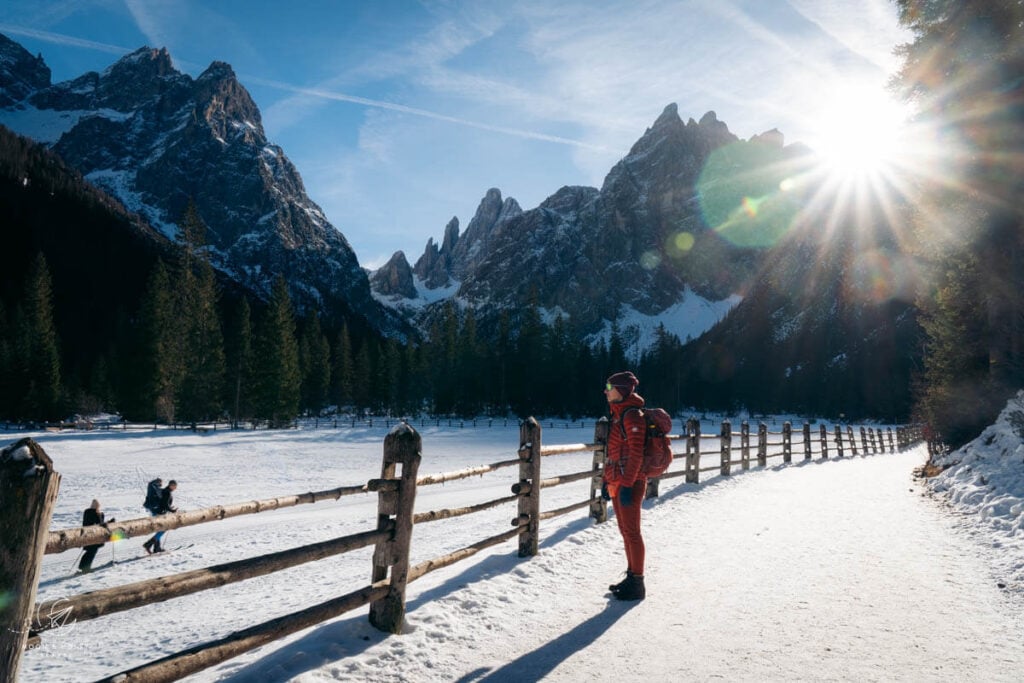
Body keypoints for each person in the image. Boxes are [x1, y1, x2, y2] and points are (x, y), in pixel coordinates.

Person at [601, 371, 647, 600]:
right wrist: (606, 480)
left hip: (630, 482)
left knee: (632, 532)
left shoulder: (632, 416)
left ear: (621, 390)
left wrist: (627, 484)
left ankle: (637, 583)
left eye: (610, 387)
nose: (606, 391)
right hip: (618, 481)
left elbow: (636, 454)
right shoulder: (618, 414)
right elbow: (614, 452)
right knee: (625, 531)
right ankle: (631, 577)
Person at [79, 499, 114, 573]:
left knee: (90, 552)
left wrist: (108, 522)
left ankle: (83, 566)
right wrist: (106, 522)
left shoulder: (88, 512)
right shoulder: (94, 513)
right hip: (93, 535)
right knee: (91, 552)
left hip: (89, 535)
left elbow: (100, 524)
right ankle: (85, 568)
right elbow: (98, 524)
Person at [143, 479, 177, 553]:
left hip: (156, 511)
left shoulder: (165, 491)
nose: (175, 488)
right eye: (175, 486)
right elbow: (165, 504)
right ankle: (149, 544)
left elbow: (164, 503)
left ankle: (157, 548)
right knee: (164, 529)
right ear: (171, 485)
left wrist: (170, 508)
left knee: (160, 529)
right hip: (159, 513)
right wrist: (172, 510)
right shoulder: (167, 492)